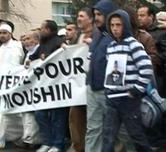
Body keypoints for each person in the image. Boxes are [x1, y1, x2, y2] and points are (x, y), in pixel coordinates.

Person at [102, 9, 153, 152]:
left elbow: (147, 68)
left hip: (128, 99)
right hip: (112, 98)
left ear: (125, 25)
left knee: (136, 136)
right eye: (112, 25)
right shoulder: (111, 46)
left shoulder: (133, 45)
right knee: (108, 136)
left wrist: (136, 89)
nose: (115, 28)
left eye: (119, 25)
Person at [0, 22, 25, 150]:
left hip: (14, 83)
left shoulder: (17, 46)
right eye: (0, 33)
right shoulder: (1, 47)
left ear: (10, 34)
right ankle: (15, 138)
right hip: (3, 83)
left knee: (7, 111)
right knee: (9, 113)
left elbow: (15, 65)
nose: (2, 35)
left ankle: (0, 139)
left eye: (4, 33)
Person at [85, 1, 118, 152]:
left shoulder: (116, 37)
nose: (96, 18)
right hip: (93, 89)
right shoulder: (97, 35)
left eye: (100, 14)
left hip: (108, 92)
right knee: (93, 129)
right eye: (95, 14)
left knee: (117, 131)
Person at [31, 20, 65, 152]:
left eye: (42, 28)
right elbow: (34, 57)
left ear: (50, 30)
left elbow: (62, 58)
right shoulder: (43, 43)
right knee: (40, 114)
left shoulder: (58, 42)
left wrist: (48, 57)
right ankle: (47, 142)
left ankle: (58, 144)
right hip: (44, 87)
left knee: (57, 117)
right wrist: (30, 60)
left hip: (57, 87)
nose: (40, 31)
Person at [67, 7, 93, 152]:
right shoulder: (77, 36)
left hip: (91, 84)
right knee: (75, 118)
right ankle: (78, 147)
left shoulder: (98, 35)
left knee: (93, 120)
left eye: (82, 16)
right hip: (77, 86)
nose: (78, 19)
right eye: (78, 16)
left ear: (90, 19)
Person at [14, 30, 41, 149]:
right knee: (25, 113)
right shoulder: (28, 53)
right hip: (27, 87)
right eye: (24, 39)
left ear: (36, 40)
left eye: (28, 39)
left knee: (32, 115)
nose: (25, 42)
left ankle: (32, 140)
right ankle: (27, 137)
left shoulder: (39, 51)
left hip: (36, 88)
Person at [137, 6, 166, 97]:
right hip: (140, 74)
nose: (139, 18)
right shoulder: (137, 32)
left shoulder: (162, 32)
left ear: (151, 17)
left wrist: (152, 58)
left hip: (157, 75)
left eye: (142, 15)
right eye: (138, 15)